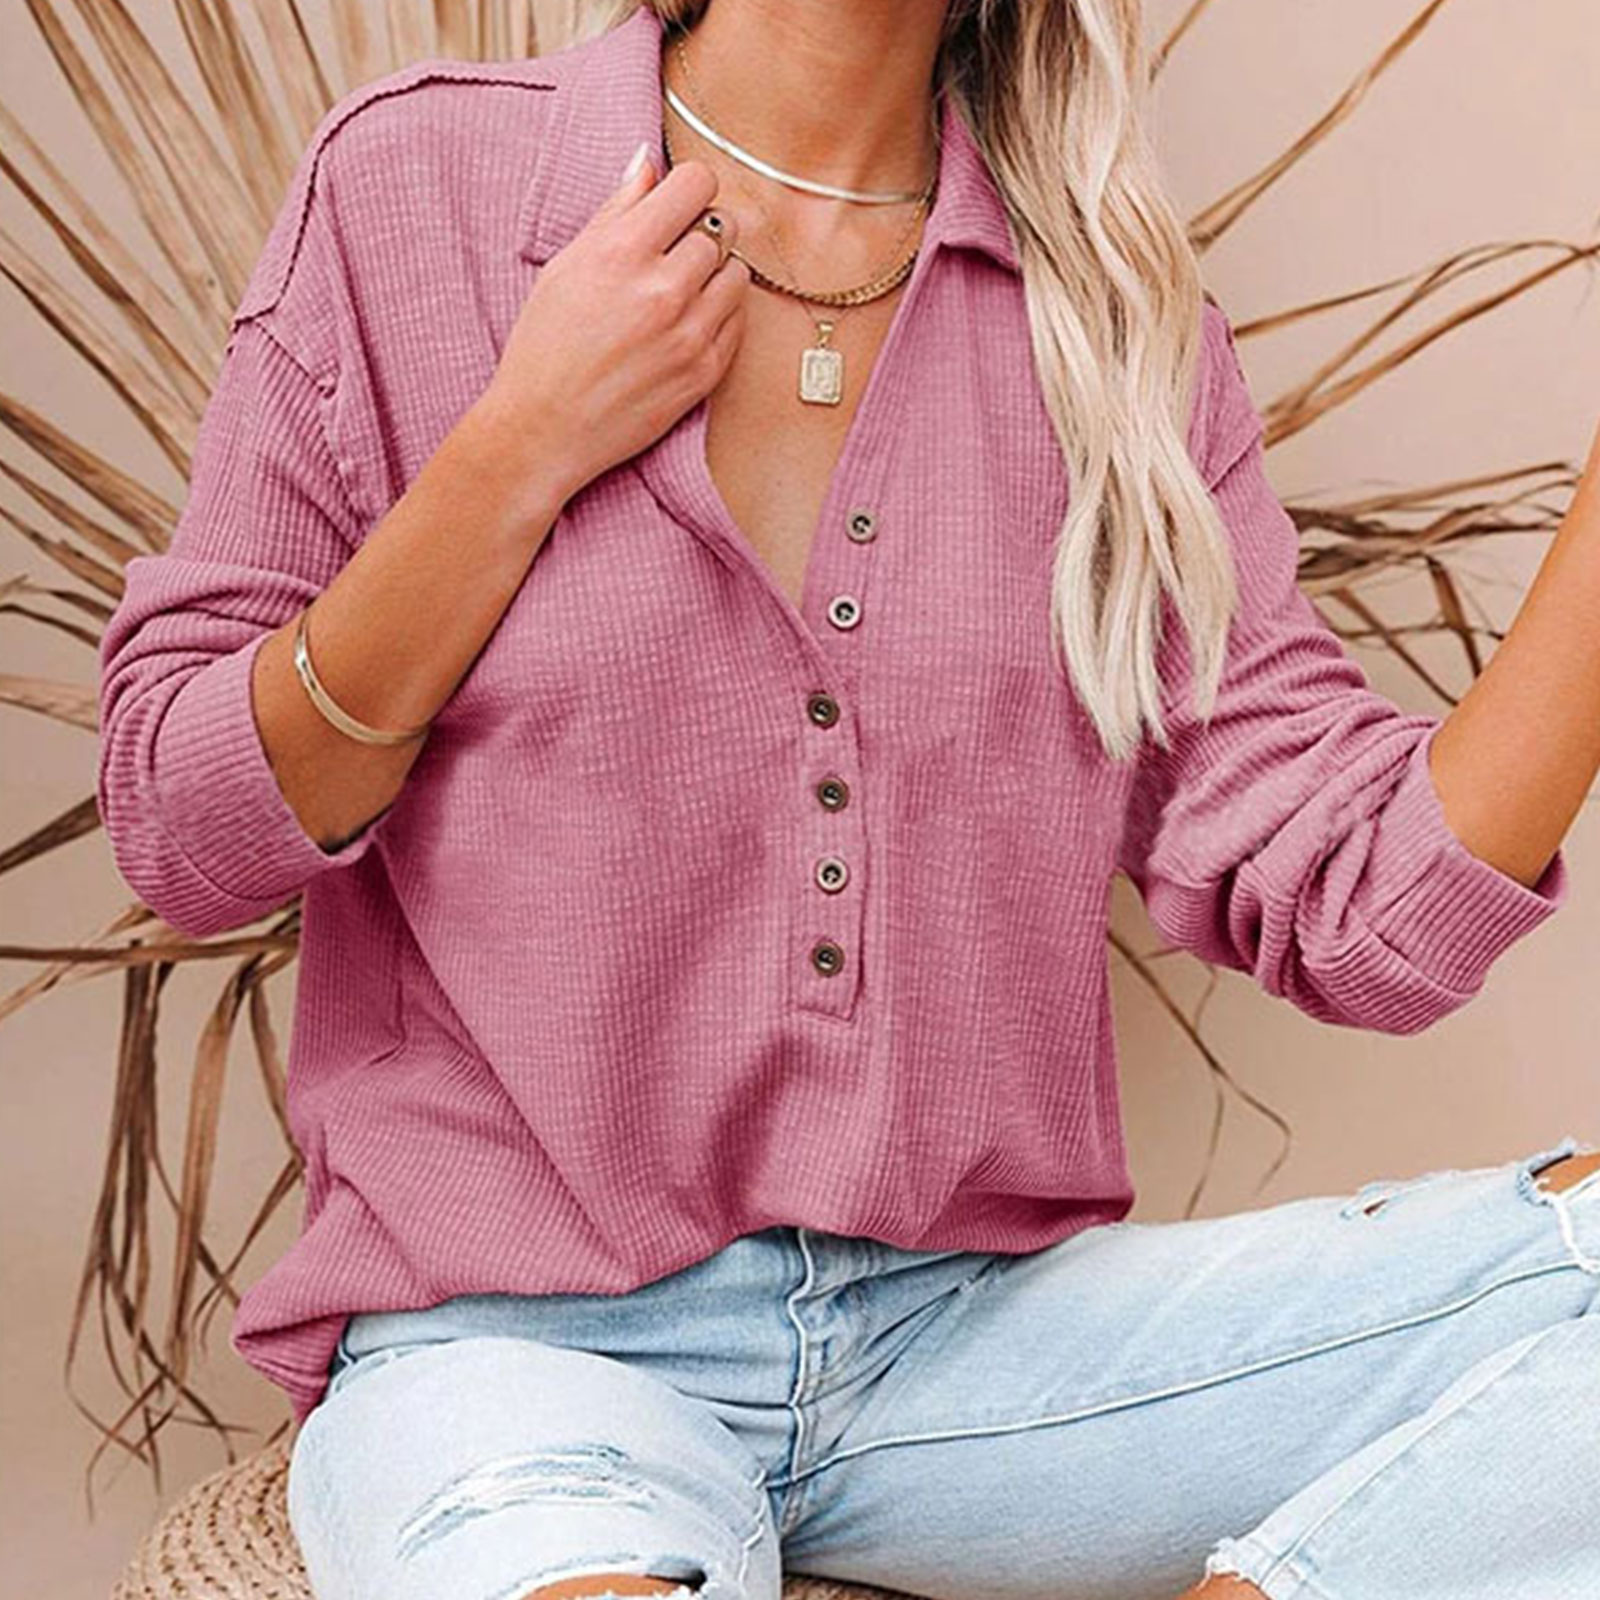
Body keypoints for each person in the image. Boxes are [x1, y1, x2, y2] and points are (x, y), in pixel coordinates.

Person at [94, 2, 1600, 1597]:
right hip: (517, 1354)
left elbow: (1364, 911)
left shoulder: (1105, 322)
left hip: (978, 1348)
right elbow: (182, 825)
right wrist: (519, 445)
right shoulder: (421, 186)